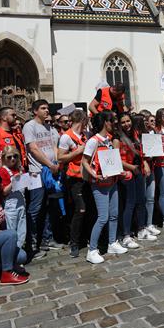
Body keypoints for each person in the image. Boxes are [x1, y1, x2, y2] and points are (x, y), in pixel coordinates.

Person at [82, 111, 130, 264]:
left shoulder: (109, 139)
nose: (114, 123)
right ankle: (92, 250)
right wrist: (94, 175)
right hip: (100, 184)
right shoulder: (93, 141)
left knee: (114, 214)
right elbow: (84, 161)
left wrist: (120, 172)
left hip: (112, 182)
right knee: (102, 217)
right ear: (104, 122)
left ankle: (112, 243)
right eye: (111, 121)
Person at [22, 100, 61, 258]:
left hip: (50, 171)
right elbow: (34, 149)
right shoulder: (30, 126)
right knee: (35, 209)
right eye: (43, 108)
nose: (47, 111)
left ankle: (47, 239)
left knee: (49, 207)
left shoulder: (49, 126)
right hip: (37, 173)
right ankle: (32, 244)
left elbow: (54, 145)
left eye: (47, 108)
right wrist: (50, 164)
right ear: (35, 111)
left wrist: (55, 162)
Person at [57, 110, 90, 258]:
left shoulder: (84, 135)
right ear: (82, 120)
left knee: (87, 209)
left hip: (86, 176)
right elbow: (60, 158)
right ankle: (74, 243)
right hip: (74, 178)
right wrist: (78, 151)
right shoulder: (66, 137)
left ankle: (85, 238)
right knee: (80, 209)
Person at [117, 113, 148, 248]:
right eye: (123, 122)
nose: (126, 124)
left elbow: (141, 152)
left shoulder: (135, 133)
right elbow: (116, 159)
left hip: (138, 170)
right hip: (127, 174)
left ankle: (141, 229)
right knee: (129, 204)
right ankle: (126, 235)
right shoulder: (117, 138)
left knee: (141, 201)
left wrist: (145, 164)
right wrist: (131, 168)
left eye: (128, 121)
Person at [0, 145, 27, 251]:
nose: (13, 159)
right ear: (3, 158)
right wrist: (14, 181)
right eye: (9, 157)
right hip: (10, 204)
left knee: (22, 230)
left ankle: (19, 253)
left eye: (15, 156)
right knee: (12, 231)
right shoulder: (2, 171)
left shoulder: (19, 169)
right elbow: (4, 191)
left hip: (21, 201)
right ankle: (12, 253)